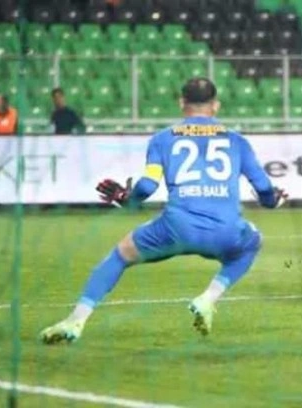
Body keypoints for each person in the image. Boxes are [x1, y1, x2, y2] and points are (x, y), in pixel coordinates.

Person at [39, 78, 288, 344]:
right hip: (225, 230)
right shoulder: (237, 141)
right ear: (216, 105)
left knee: (120, 256)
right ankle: (208, 298)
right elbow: (263, 186)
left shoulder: (163, 139)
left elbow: (148, 185)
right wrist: (271, 201)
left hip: (175, 228)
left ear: (182, 103)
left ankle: (76, 320)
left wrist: (127, 199)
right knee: (252, 242)